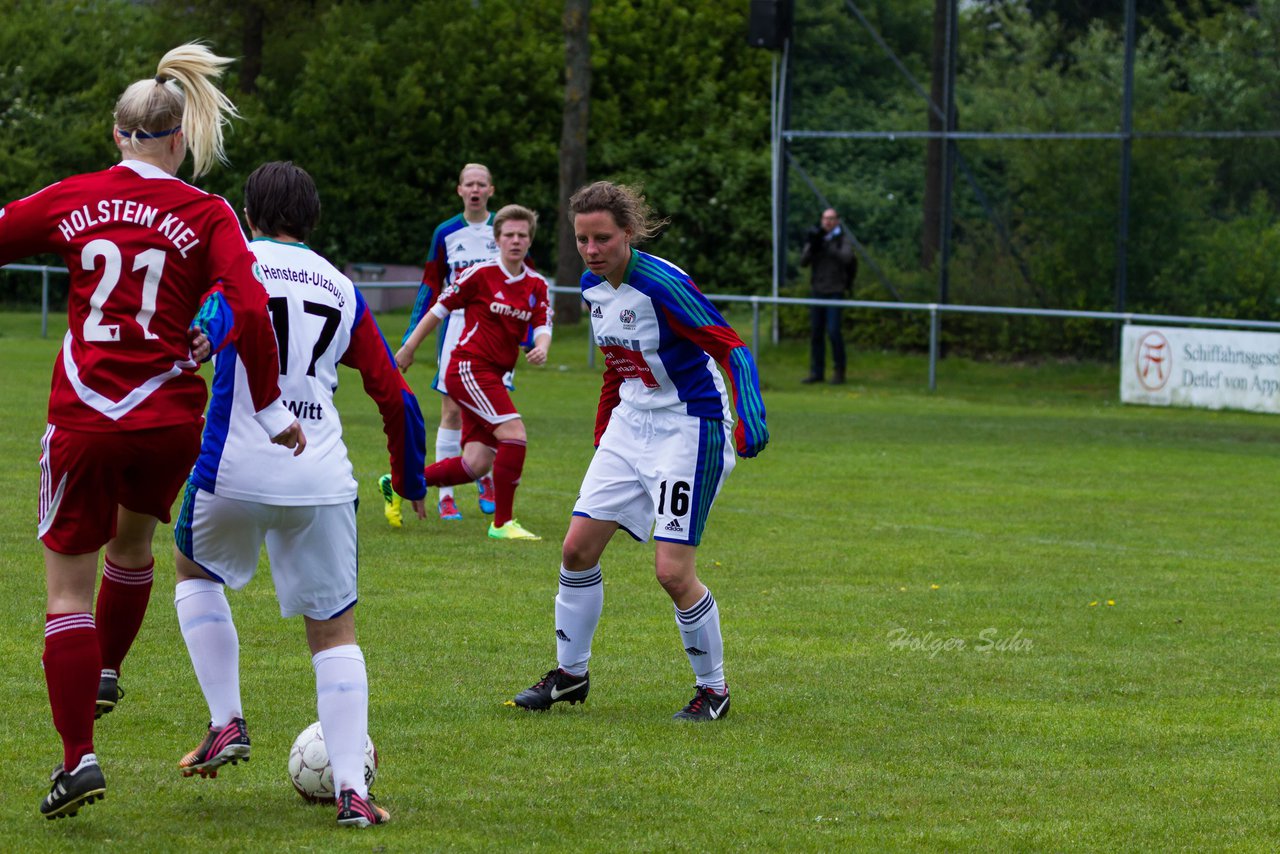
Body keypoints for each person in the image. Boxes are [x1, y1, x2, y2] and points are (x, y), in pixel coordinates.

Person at [0, 43, 303, 820]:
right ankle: (104, 670)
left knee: (65, 591)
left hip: (85, 420)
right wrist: (270, 410)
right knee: (131, 549)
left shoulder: (75, 195)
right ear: (177, 137)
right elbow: (249, 307)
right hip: (169, 419)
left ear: (116, 135)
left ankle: (77, 761)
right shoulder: (208, 212)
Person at [172, 162, 425, 829]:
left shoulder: (237, 263)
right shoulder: (342, 287)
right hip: (320, 474)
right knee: (334, 629)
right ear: (312, 218)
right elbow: (392, 391)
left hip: (235, 464)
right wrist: (409, 476)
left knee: (193, 569)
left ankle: (227, 720)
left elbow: (206, 330)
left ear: (249, 212)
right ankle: (352, 792)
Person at [511, 181, 769, 721]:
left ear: (627, 233)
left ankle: (713, 691)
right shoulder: (591, 286)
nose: (591, 250)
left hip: (688, 427)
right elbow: (618, 364)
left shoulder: (661, 285)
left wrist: (749, 416)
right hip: (631, 426)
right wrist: (605, 431)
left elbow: (732, 347)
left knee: (672, 573)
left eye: (602, 238)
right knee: (576, 549)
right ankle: (570, 676)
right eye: (582, 239)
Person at [396, 204, 551, 541]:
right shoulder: (479, 274)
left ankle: (402, 484)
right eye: (508, 234)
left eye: (521, 235)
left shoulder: (537, 284)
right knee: (514, 433)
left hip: (494, 375)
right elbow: (439, 309)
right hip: (467, 367)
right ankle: (502, 524)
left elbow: (542, 323)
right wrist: (409, 346)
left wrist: (542, 346)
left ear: (529, 241)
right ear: (497, 240)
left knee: (476, 463)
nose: (515, 240)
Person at [382, 163, 500, 525]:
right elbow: (431, 284)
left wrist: (528, 335)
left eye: (482, 184)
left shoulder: (505, 230)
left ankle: (485, 479)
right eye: (469, 184)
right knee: (451, 412)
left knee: (492, 414)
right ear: (460, 190)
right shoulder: (446, 232)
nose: (476, 189)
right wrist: (410, 339)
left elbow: (520, 281)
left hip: (495, 332)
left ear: (491, 190)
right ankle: (446, 498)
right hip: (456, 331)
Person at [800, 208, 857, 385]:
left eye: (831, 219)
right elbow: (803, 262)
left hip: (835, 291)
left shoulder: (842, 240)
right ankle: (817, 372)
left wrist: (829, 245)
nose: (828, 222)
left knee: (833, 332)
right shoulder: (817, 238)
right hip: (817, 290)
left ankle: (839, 371)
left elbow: (847, 258)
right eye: (825, 218)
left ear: (837, 221)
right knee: (816, 333)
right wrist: (814, 245)